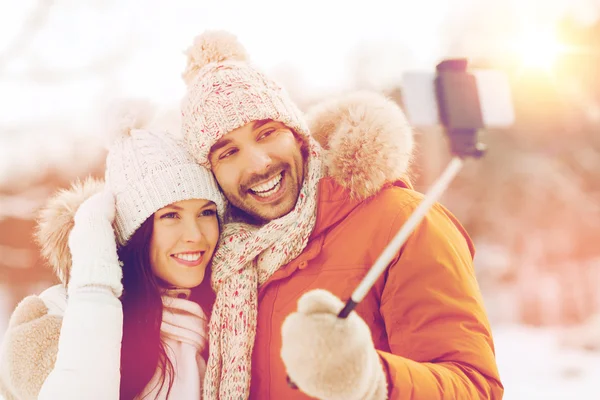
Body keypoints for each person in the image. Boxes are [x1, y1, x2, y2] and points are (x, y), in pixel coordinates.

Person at [180, 30, 504, 399]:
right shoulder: (220, 262)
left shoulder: (401, 223)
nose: (257, 163)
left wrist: (371, 378)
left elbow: (473, 387)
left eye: (267, 132)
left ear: (298, 135)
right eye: (227, 153)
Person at [0, 101, 226, 400]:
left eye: (206, 212)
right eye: (171, 215)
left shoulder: (226, 320)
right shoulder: (54, 316)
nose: (195, 235)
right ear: (134, 230)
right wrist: (94, 280)